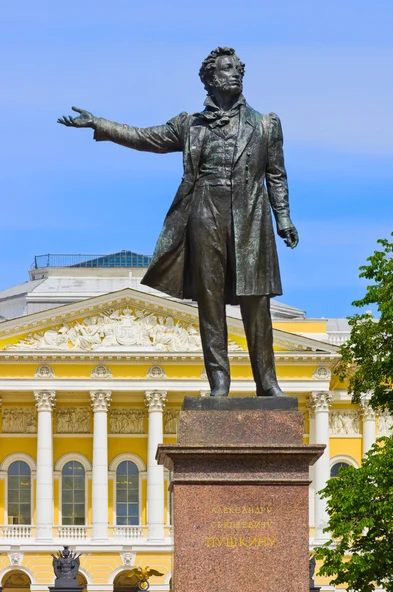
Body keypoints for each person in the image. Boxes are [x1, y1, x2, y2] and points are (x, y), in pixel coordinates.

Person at [58, 46, 299, 397]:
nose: (235, 74)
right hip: (205, 214)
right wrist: (100, 124)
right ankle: (219, 384)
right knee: (210, 300)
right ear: (210, 79)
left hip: (251, 217)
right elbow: (145, 137)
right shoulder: (190, 125)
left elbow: (276, 175)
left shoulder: (265, 124)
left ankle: (268, 383)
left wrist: (284, 218)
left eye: (238, 69)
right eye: (227, 69)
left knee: (257, 301)